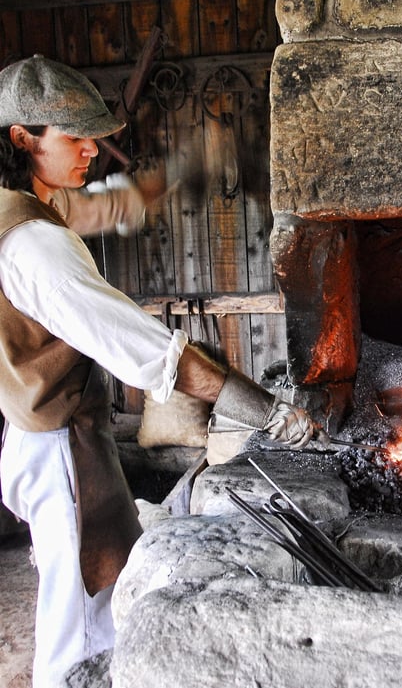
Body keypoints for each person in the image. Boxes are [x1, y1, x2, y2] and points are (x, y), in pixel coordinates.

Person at [0, 54, 315, 687]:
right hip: (64, 453)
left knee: (89, 595)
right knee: (81, 628)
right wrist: (270, 414)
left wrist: (185, 172)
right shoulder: (36, 247)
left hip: (37, 439)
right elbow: (151, 355)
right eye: (75, 137)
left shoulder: (23, 206)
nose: (94, 146)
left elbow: (104, 208)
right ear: (21, 136)